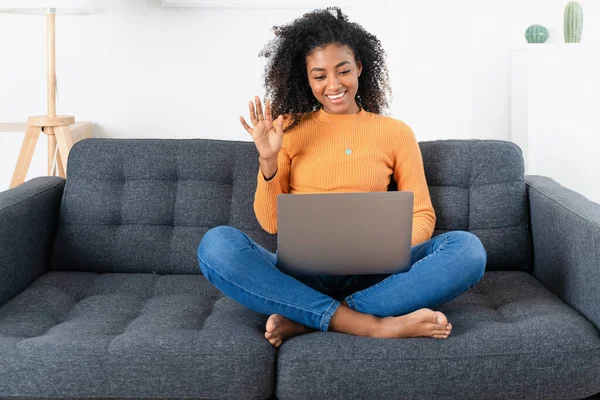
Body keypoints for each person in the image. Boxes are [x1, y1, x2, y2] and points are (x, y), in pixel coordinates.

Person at [197, 7, 486, 348]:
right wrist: (268, 159)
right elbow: (271, 223)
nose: (333, 85)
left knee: (468, 250)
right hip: (304, 275)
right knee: (216, 245)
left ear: (360, 67)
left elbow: (422, 214)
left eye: (343, 71)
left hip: (379, 276)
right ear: (306, 79)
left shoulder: (395, 133)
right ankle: (371, 325)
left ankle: (312, 317)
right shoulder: (287, 129)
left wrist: (385, 247)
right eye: (319, 76)